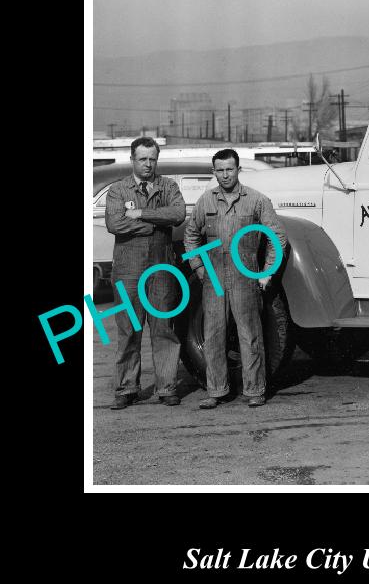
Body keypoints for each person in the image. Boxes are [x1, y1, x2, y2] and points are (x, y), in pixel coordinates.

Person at [183, 148, 287, 409]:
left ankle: (255, 390)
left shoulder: (257, 200)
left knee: (249, 333)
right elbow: (191, 236)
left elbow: (277, 239)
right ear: (213, 172)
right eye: (220, 170)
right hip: (213, 278)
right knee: (213, 333)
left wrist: (266, 272)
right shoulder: (205, 201)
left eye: (230, 169)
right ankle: (216, 390)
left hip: (245, 277)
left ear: (238, 170)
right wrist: (198, 267)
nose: (225, 174)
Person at [105, 137, 186, 409]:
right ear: (132, 160)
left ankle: (166, 387)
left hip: (162, 268)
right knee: (128, 329)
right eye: (142, 159)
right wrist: (152, 225)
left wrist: (139, 213)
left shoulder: (168, 186)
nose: (148, 164)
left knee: (163, 327)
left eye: (152, 159)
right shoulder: (118, 190)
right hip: (128, 270)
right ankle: (126, 388)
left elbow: (177, 213)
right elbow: (114, 223)